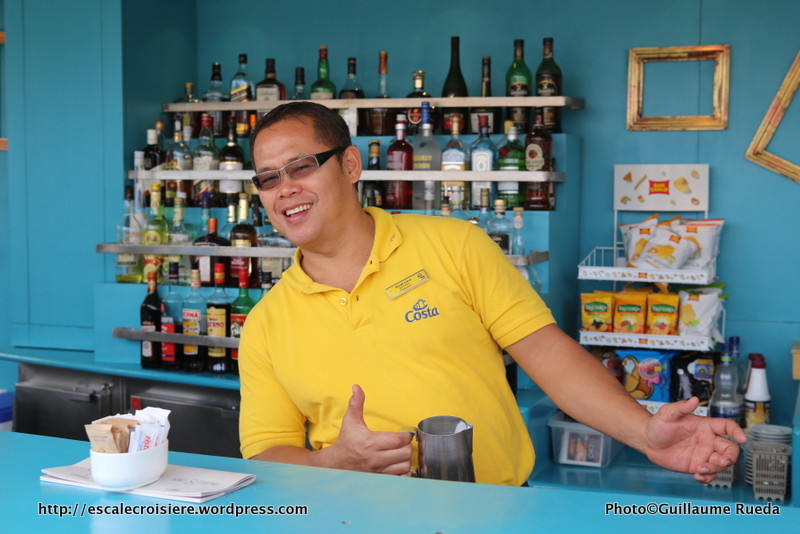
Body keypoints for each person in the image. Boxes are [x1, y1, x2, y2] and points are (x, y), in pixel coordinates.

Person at [238, 101, 745, 486]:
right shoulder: (266, 322)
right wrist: (335, 460)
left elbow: (545, 353)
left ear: (350, 165)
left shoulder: (454, 246)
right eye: (267, 178)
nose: (284, 190)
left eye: (302, 167)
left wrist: (644, 431)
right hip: (355, 517)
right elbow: (265, 453)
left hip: (493, 513)